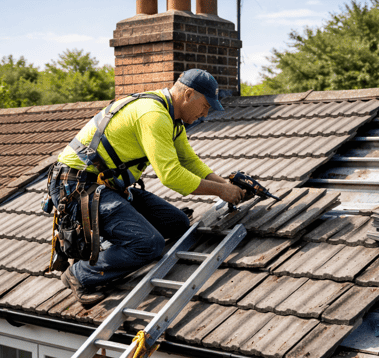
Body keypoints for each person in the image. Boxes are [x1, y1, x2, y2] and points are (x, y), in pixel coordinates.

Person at [50, 69, 246, 304]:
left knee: (178, 223)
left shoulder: (173, 121)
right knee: (148, 244)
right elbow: (171, 175)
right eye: (205, 105)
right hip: (77, 187)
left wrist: (224, 184)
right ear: (188, 94)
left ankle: (119, 240)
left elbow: (188, 160)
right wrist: (223, 192)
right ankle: (79, 274)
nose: (205, 113)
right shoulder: (153, 114)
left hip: (107, 187)